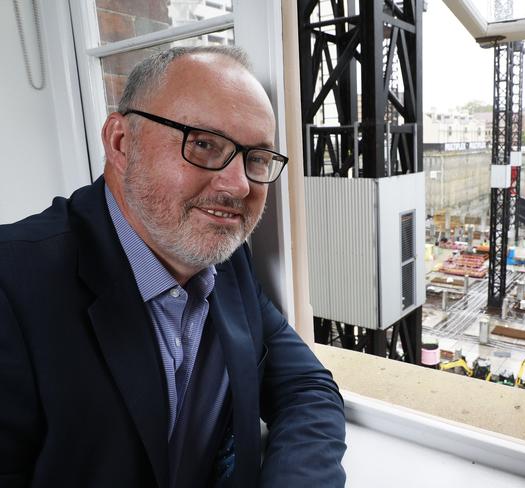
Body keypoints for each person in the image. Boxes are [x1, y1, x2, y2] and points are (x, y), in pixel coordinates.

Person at [0, 46, 346, 487]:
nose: (239, 184)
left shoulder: (226, 259)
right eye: (203, 144)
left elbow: (306, 390)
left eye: (256, 158)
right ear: (121, 143)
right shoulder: (12, 286)